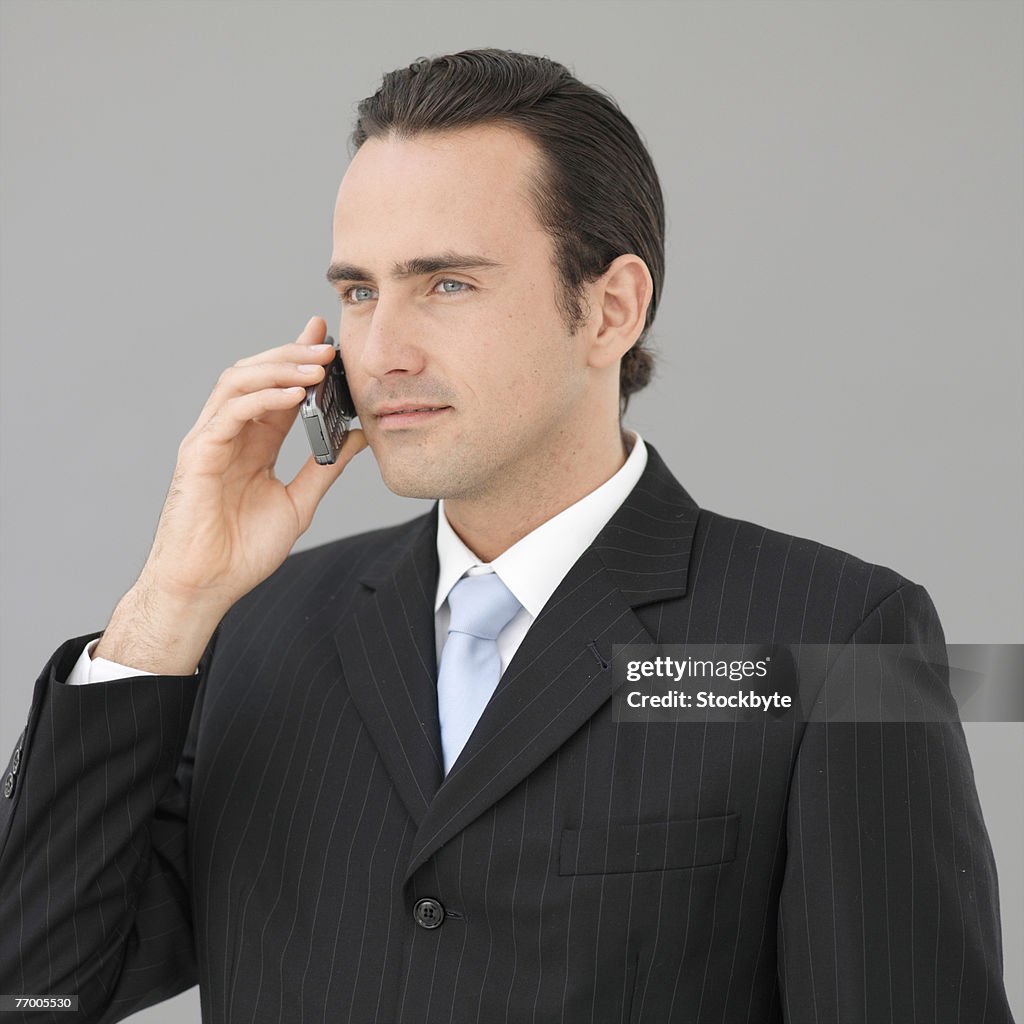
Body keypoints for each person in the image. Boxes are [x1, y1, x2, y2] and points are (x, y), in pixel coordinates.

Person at [0, 48, 1013, 1024]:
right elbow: (31, 988)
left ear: (609, 309)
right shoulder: (253, 637)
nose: (381, 350)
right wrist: (165, 608)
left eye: (446, 283)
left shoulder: (839, 637)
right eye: (359, 291)